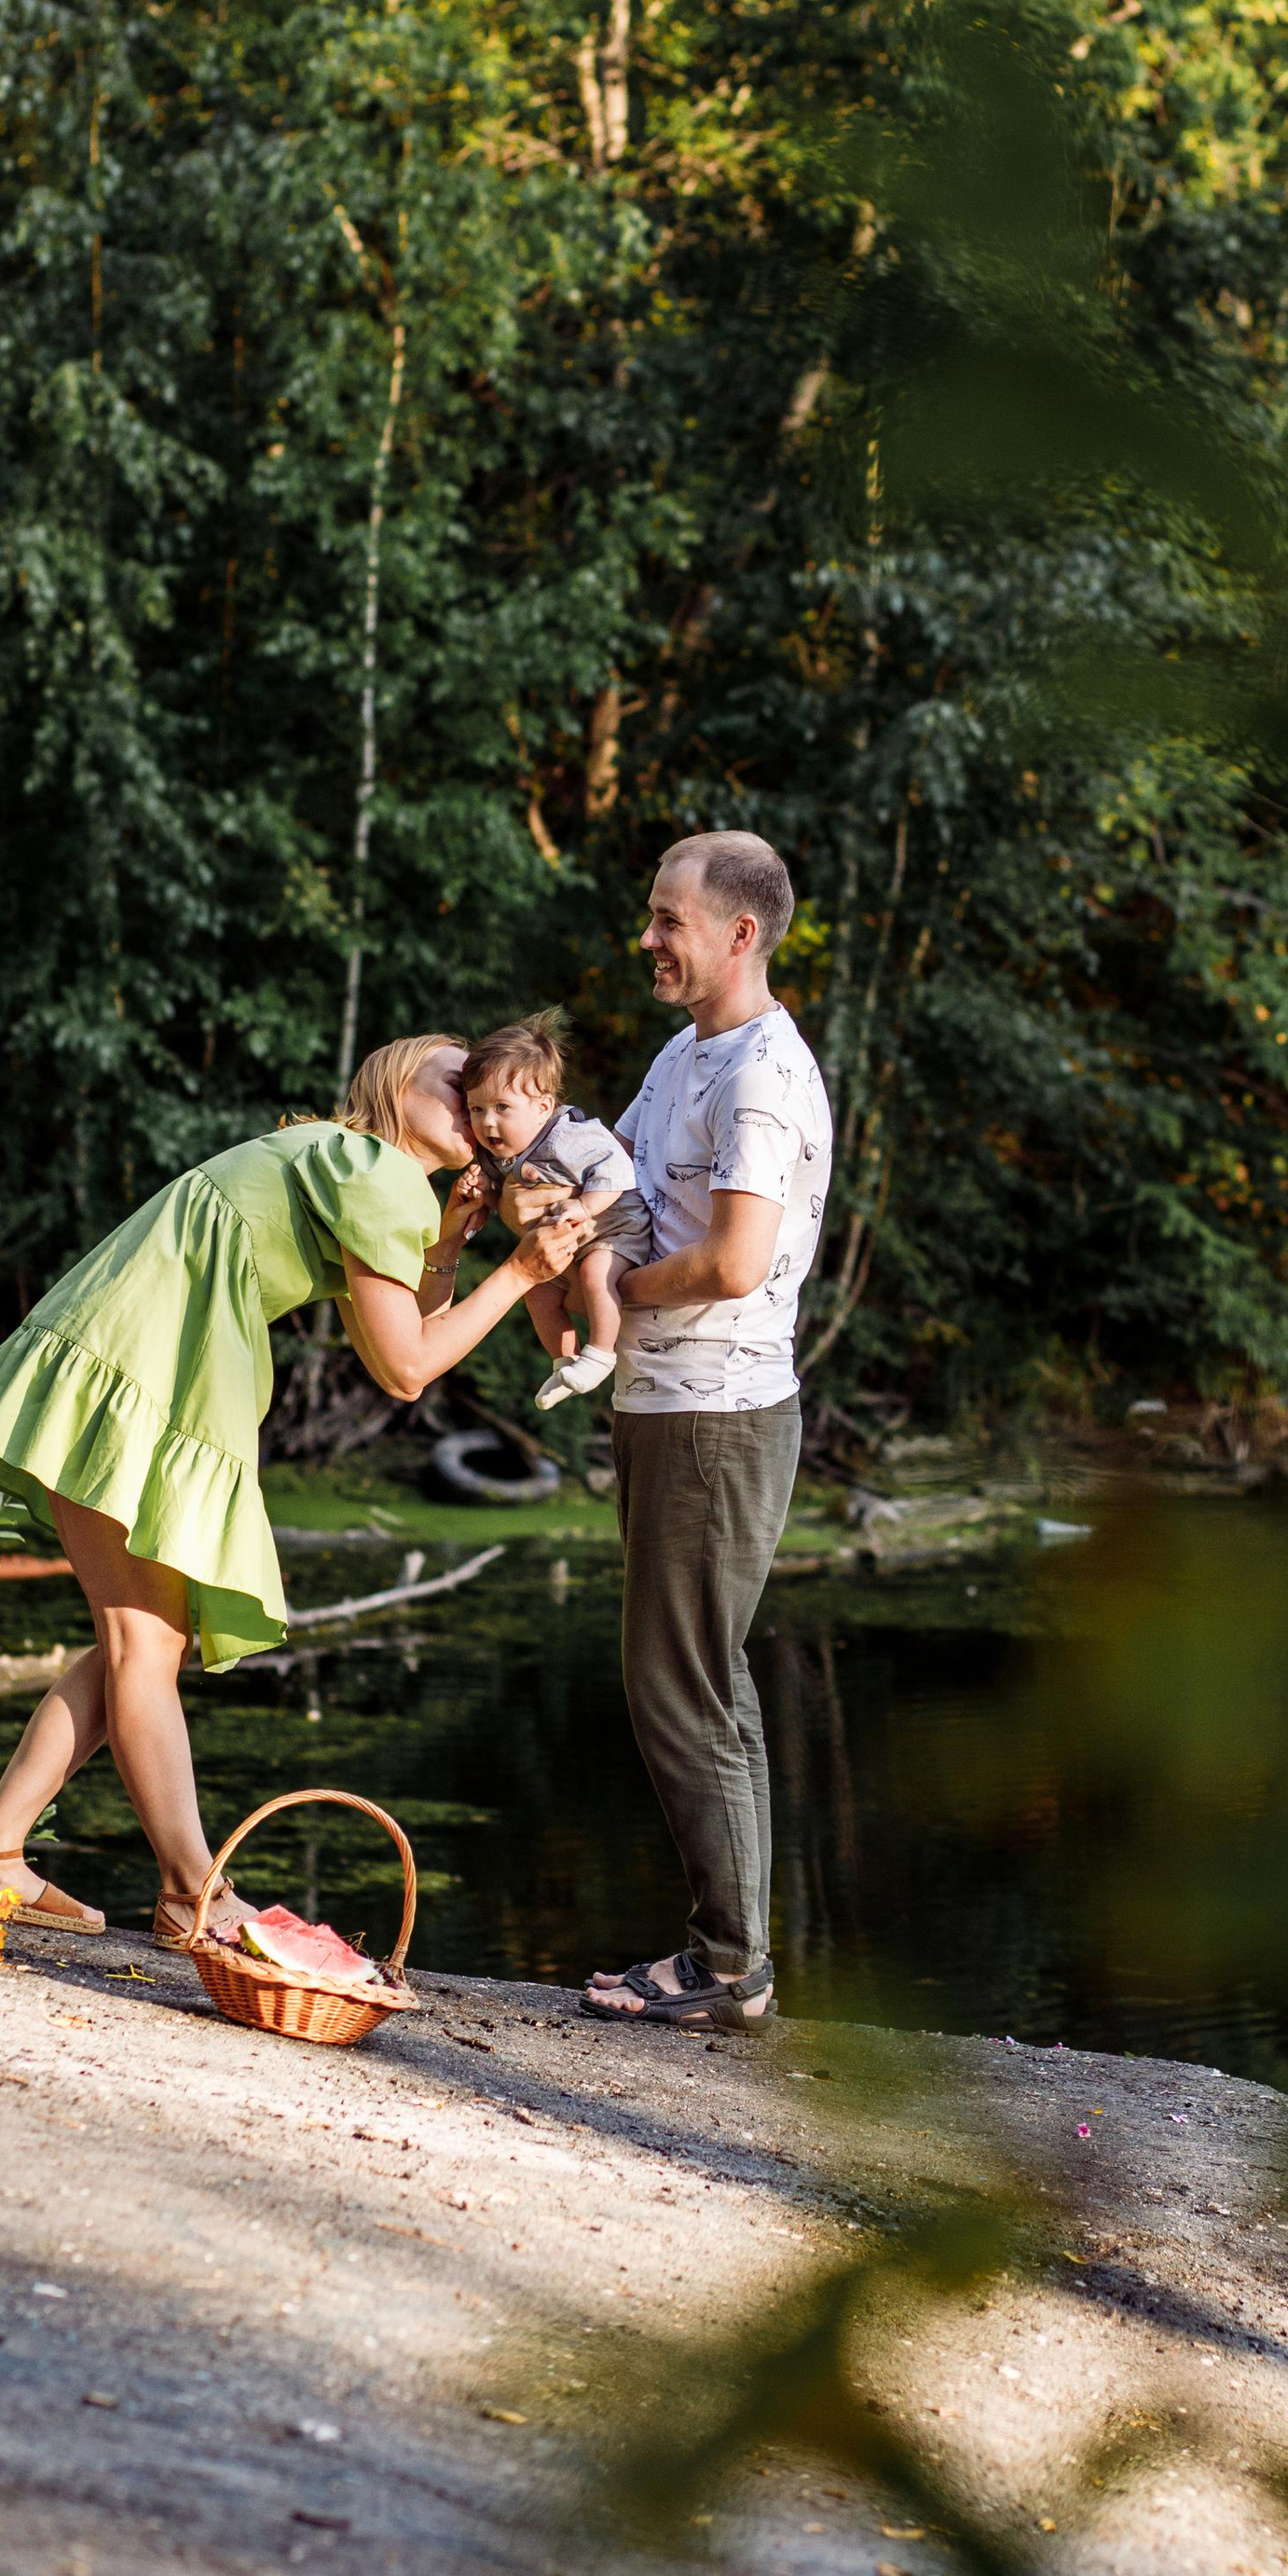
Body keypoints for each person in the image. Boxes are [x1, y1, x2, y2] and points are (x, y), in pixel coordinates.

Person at [0, 1036, 588, 1945]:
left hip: (135, 1355)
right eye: (458, 1078)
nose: (479, 1101)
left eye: (488, 1097)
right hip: (147, 1366)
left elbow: (395, 1343)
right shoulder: (374, 1168)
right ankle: (188, 1890)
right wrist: (521, 1275)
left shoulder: (357, 1165)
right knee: (142, 1642)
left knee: (139, 1638)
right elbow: (405, 1370)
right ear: (394, 1083)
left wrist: (450, 1241)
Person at [563, 830, 833, 2029]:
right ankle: (732, 1959)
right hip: (670, 1405)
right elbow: (617, 1182)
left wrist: (614, 1298)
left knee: (677, 1682)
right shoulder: (688, 1054)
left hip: (716, 1413)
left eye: (670, 919)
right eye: (652, 912)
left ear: (739, 933)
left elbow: (733, 1261)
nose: (649, 938)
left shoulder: (763, 1076)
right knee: (702, 1679)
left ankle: (728, 1971)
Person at [461, 1012, 654, 1411]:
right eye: (476, 1109)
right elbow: (511, 1200)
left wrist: (584, 1206)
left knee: (595, 1274)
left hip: (616, 1227)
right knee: (537, 1291)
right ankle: (564, 1362)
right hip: (572, 1239)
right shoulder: (502, 1151)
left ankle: (600, 1355)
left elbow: (618, 1169)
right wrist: (486, 1195)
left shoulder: (567, 1136)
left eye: (501, 1107)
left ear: (543, 1106)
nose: (487, 1122)